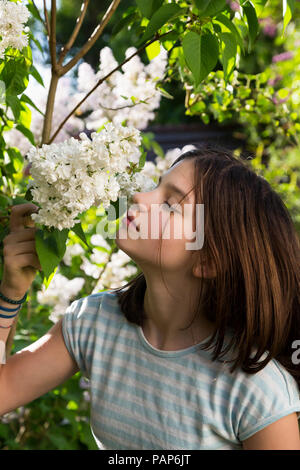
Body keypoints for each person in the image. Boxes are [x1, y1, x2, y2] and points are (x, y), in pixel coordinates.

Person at [0, 145, 299, 450]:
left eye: (171, 204)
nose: (140, 197)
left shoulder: (256, 390)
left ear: (209, 261)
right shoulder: (94, 321)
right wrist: (10, 294)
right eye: (156, 186)